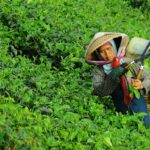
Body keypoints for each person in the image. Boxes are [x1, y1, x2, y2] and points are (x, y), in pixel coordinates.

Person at [85, 32, 150, 126]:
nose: (107, 54)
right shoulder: (100, 70)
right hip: (120, 105)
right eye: (102, 51)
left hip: (137, 100)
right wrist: (112, 76)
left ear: (114, 47)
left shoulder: (127, 62)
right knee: (129, 124)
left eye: (108, 48)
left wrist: (142, 85)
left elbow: (148, 76)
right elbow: (98, 91)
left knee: (145, 122)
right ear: (98, 54)